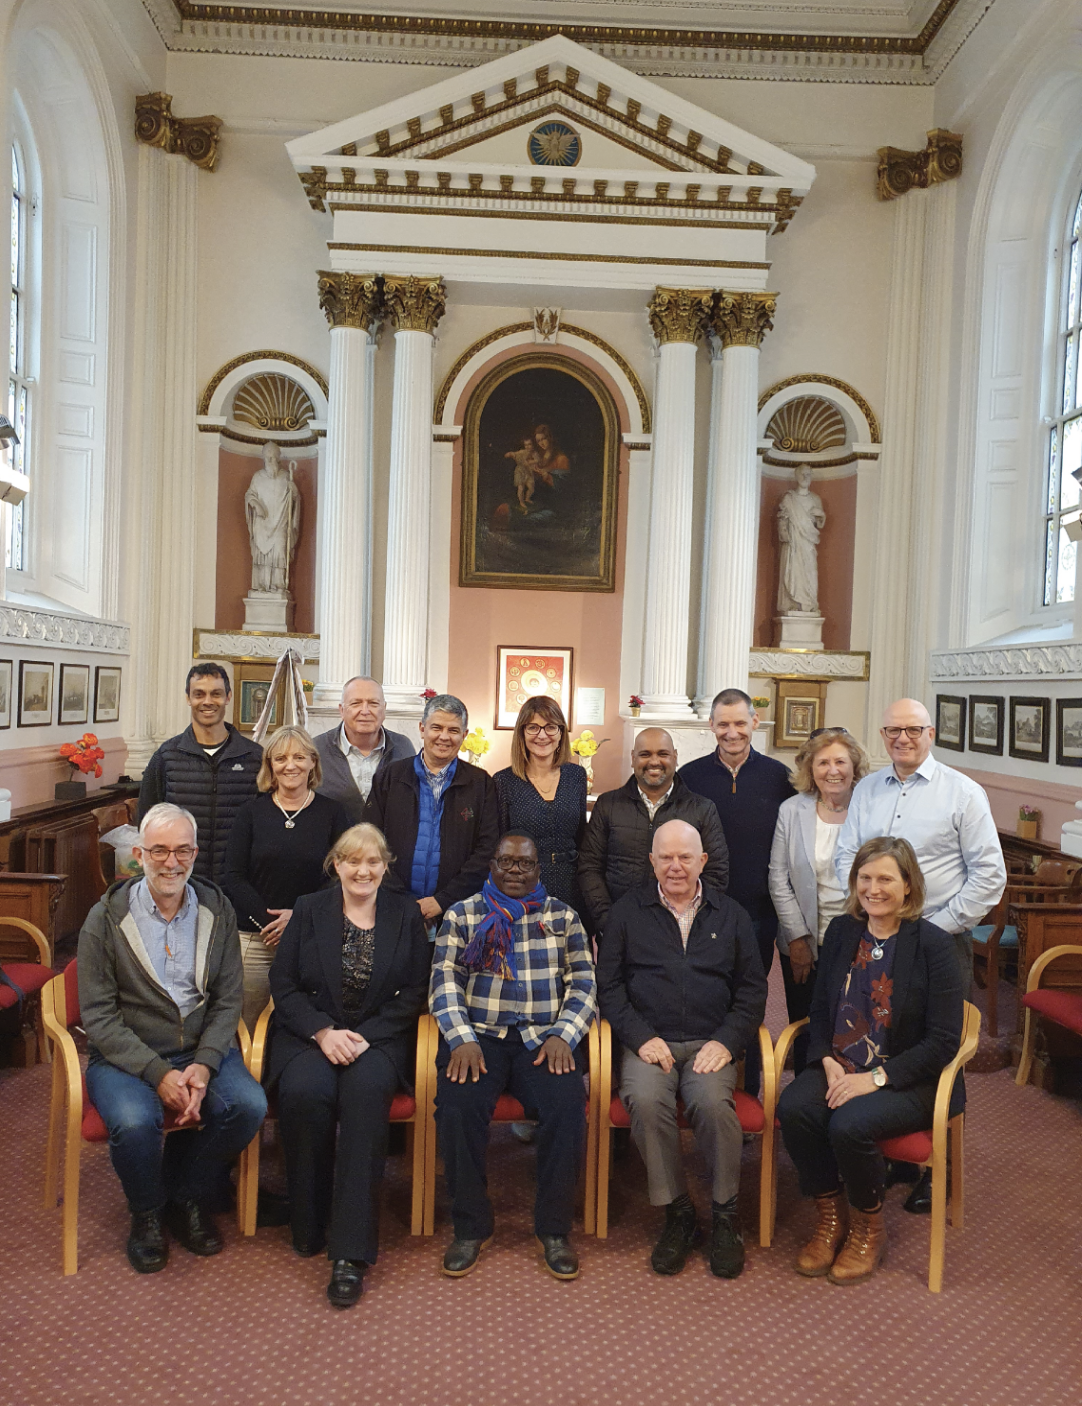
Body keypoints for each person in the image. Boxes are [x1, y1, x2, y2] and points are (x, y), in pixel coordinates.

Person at [79, 803, 267, 1275]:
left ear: (196, 853)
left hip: (200, 1047)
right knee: (134, 1122)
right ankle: (146, 1213)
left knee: (249, 1106)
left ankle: (186, 1198)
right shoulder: (103, 920)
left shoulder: (215, 907)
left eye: (183, 850)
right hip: (126, 1057)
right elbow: (99, 1019)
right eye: (160, 851)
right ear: (139, 855)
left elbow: (227, 999)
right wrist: (159, 1074)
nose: (172, 862)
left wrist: (204, 1063)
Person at [834, 697, 1005, 1213]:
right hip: (874, 940)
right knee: (883, 1040)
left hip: (938, 940)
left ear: (931, 733)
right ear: (883, 736)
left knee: (939, 1046)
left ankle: (941, 1166)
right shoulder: (867, 788)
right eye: (892, 731)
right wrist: (869, 919)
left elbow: (989, 875)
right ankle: (894, 1156)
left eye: (912, 730)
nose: (902, 739)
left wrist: (932, 929)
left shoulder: (962, 793)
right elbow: (848, 853)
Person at [777, 836, 963, 1285]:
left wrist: (875, 1078)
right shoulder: (843, 932)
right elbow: (820, 1007)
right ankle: (831, 1216)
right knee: (795, 1109)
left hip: (909, 1078)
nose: (873, 889)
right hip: (841, 1064)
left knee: (850, 1124)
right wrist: (824, 1058)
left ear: (908, 886)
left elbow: (943, 1041)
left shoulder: (935, 947)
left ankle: (868, 1227)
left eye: (885, 879)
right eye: (865, 878)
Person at [268, 823, 431, 1308]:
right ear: (335, 865)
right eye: (352, 861)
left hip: (376, 1039)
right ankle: (309, 1219)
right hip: (309, 1035)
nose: (363, 870)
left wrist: (365, 1037)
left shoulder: (405, 913)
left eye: (373, 861)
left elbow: (418, 990)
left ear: (385, 867)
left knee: (363, 1099)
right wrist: (322, 1032)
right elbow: (284, 983)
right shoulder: (310, 908)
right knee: (304, 1093)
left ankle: (349, 1253)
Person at [597, 820, 766, 1279]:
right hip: (649, 1041)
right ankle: (679, 1212)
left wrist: (727, 1042)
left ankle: (725, 1214)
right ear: (651, 861)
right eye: (665, 857)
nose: (675, 866)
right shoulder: (627, 913)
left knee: (713, 1104)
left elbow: (752, 991)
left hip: (712, 1043)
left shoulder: (731, 915)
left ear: (702, 862)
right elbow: (608, 987)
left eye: (685, 857)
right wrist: (639, 1036)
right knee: (647, 1101)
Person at [430, 832, 597, 1280]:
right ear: (492, 866)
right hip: (479, 1037)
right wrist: (460, 1038)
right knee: (455, 1107)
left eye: (525, 864)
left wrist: (565, 1035)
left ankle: (554, 1230)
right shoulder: (463, 915)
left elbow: (583, 982)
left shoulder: (563, 917)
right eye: (506, 863)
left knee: (566, 1108)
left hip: (544, 1039)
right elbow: (444, 980)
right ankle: (470, 1226)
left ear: (539, 868)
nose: (515, 872)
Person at [678, 688, 794, 1094]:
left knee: (748, 1004)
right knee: (702, 998)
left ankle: (746, 1096)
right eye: (723, 724)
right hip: (699, 912)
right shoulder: (689, 777)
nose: (732, 732)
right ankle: (697, 1088)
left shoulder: (780, 778)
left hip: (758, 914)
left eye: (739, 723)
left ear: (754, 724)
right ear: (710, 725)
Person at [222, 725, 351, 1031]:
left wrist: (298, 917)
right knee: (247, 1023)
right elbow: (233, 875)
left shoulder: (334, 814)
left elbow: (341, 876)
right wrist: (268, 922)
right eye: (280, 758)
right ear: (270, 766)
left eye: (298, 757)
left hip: (312, 934)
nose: (290, 765)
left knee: (305, 1020)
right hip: (255, 938)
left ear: (312, 763)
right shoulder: (251, 813)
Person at [768, 727, 870, 1072]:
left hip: (860, 938)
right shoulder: (792, 810)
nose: (832, 770)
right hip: (804, 940)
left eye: (840, 761)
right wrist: (797, 937)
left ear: (854, 766)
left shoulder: (871, 809)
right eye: (823, 762)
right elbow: (778, 877)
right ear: (810, 769)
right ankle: (804, 1099)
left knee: (853, 1021)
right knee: (807, 1023)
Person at [364, 693, 498, 938]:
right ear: (422, 728)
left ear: (465, 735)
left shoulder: (481, 785)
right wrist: (402, 900)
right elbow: (369, 841)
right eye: (436, 727)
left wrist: (443, 900)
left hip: (458, 913)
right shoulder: (390, 777)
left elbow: (487, 850)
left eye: (453, 730)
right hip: (392, 909)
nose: (444, 736)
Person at [578, 727, 729, 936]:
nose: (654, 761)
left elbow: (716, 872)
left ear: (675, 757)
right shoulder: (608, 805)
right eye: (645, 754)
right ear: (633, 759)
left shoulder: (702, 809)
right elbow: (589, 867)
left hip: (680, 933)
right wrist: (608, 920)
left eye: (663, 754)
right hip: (618, 929)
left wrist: (686, 920)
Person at [138, 662, 263, 885]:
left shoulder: (254, 757)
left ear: (228, 697)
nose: (207, 702)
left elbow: (266, 824)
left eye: (216, 694)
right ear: (188, 698)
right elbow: (146, 821)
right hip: (181, 881)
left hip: (240, 883)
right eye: (199, 694)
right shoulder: (167, 757)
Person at [493, 695, 587, 912]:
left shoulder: (576, 776)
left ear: (561, 732)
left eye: (550, 727)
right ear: (522, 733)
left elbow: (582, 836)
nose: (542, 735)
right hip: (523, 887)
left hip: (571, 885)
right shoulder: (503, 781)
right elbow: (498, 844)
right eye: (533, 727)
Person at [315, 676, 416, 823]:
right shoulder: (317, 749)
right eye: (356, 703)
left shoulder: (403, 748)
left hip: (388, 844)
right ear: (342, 710)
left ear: (384, 709)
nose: (365, 711)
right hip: (333, 845)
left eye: (373, 703)